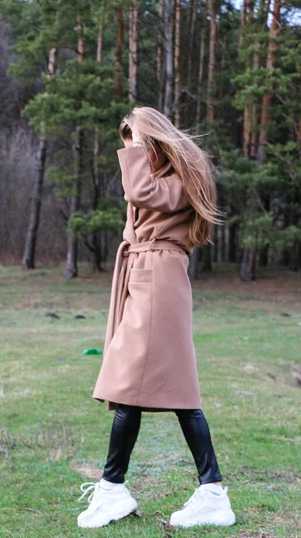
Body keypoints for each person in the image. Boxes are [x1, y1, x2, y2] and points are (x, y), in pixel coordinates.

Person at [77, 107, 236, 529]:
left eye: (139, 143)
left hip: (159, 277)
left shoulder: (181, 181)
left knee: (144, 384)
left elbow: (140, 193)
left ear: (154, 141)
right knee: (144, 386)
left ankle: (120, 489)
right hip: (147, 275)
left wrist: (135, 147)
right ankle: (199, 489)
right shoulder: (165, 178)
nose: (134, 152)